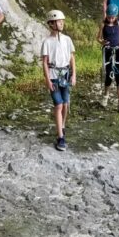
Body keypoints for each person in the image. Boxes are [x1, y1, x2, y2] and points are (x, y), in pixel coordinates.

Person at [40, 9, 76, 152]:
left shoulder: (67, 39)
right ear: (52, 24)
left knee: (66, 103)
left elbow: (72, 58)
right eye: (59, 21)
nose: (62, 23)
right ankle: (60, 137)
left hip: (65, 74)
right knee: (59, 105)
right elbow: (44, 62)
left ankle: (62, 125)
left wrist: (74, 75)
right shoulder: (47, 42)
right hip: (54, 75)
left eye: (62, 21)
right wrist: (47, 80)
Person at [97, 5, 119, 112]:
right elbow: (98, 38)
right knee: (109, 75)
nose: (111, 19)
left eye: (113, 17)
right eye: (109, 17)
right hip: (108, 52)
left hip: (118, 51)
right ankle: (106, 96)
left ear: (116, 16)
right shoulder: (103, 24)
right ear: (107, 15)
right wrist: (102, 42)